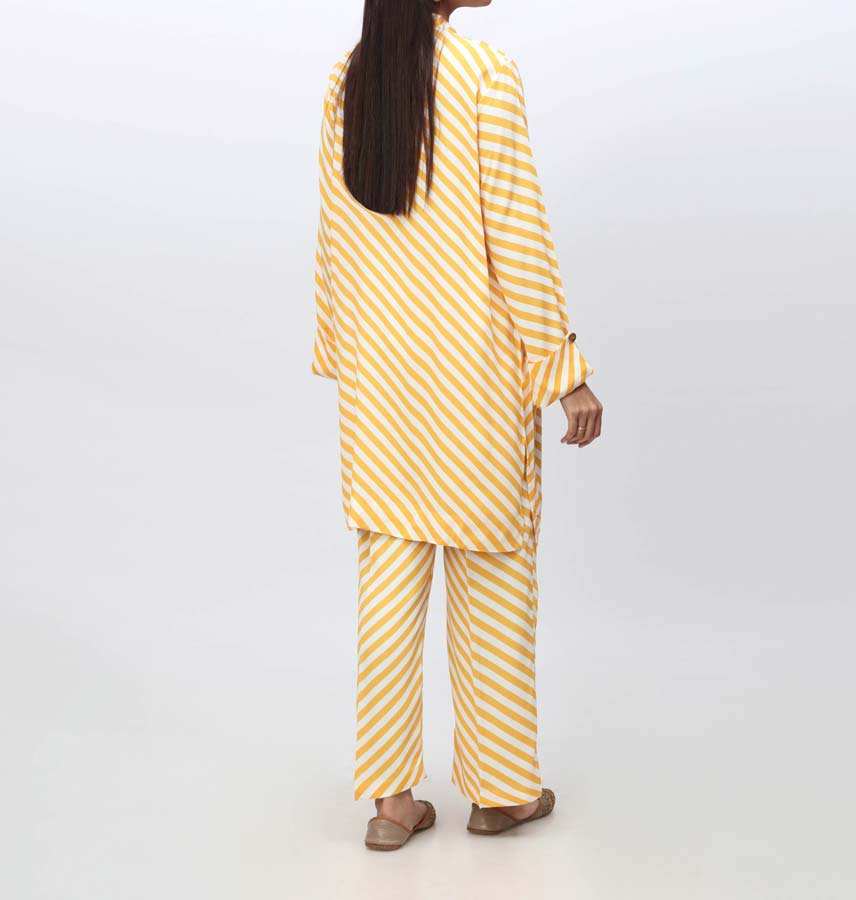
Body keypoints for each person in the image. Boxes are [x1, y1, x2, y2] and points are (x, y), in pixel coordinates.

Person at [311, 0, 603, 851]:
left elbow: (334, 238)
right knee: (495, 582)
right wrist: (565, 372)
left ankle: (391, 803)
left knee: (387, 590)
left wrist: (342, 353)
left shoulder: (347, 81)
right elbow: (520, 237)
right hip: (474, 381)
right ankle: (501, 793)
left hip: (381, 384)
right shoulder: (483, 75)